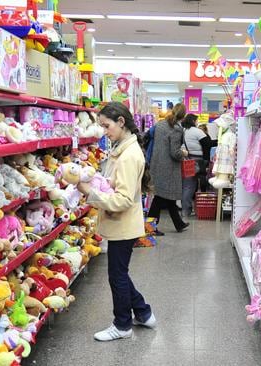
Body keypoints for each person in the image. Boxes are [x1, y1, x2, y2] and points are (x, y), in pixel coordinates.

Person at [77, 102, 155, 342]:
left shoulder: (129, 155)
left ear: (121, 122)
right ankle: (143, 312)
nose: (104, 131)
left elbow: (123, 199)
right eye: (101, 126)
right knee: (119, 273)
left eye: (106, 126)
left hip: (124, 224)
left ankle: (122, 325)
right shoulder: (122, 147)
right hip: (122, 223)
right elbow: (120, 186)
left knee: (117, 276)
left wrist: (91, 193)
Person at [148, 103, 189, 234]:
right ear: (183, 116)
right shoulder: (176, 129)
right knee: (160, 197)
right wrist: (184, 153)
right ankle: (150, 227)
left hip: (156, 164)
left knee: (167, 196)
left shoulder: (160, 124)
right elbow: (174, 152)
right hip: (168, 168)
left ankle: (179, 223)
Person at [181, 114, 213, 217]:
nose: (197, 122)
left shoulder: (185, 131)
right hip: (198, 161)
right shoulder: (197, 131)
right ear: (193, 121)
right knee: (192, 185)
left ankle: (185, 210)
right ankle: (189, 210)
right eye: (196, 120)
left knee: (187, 186)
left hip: (187, 160)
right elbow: (208, 144)